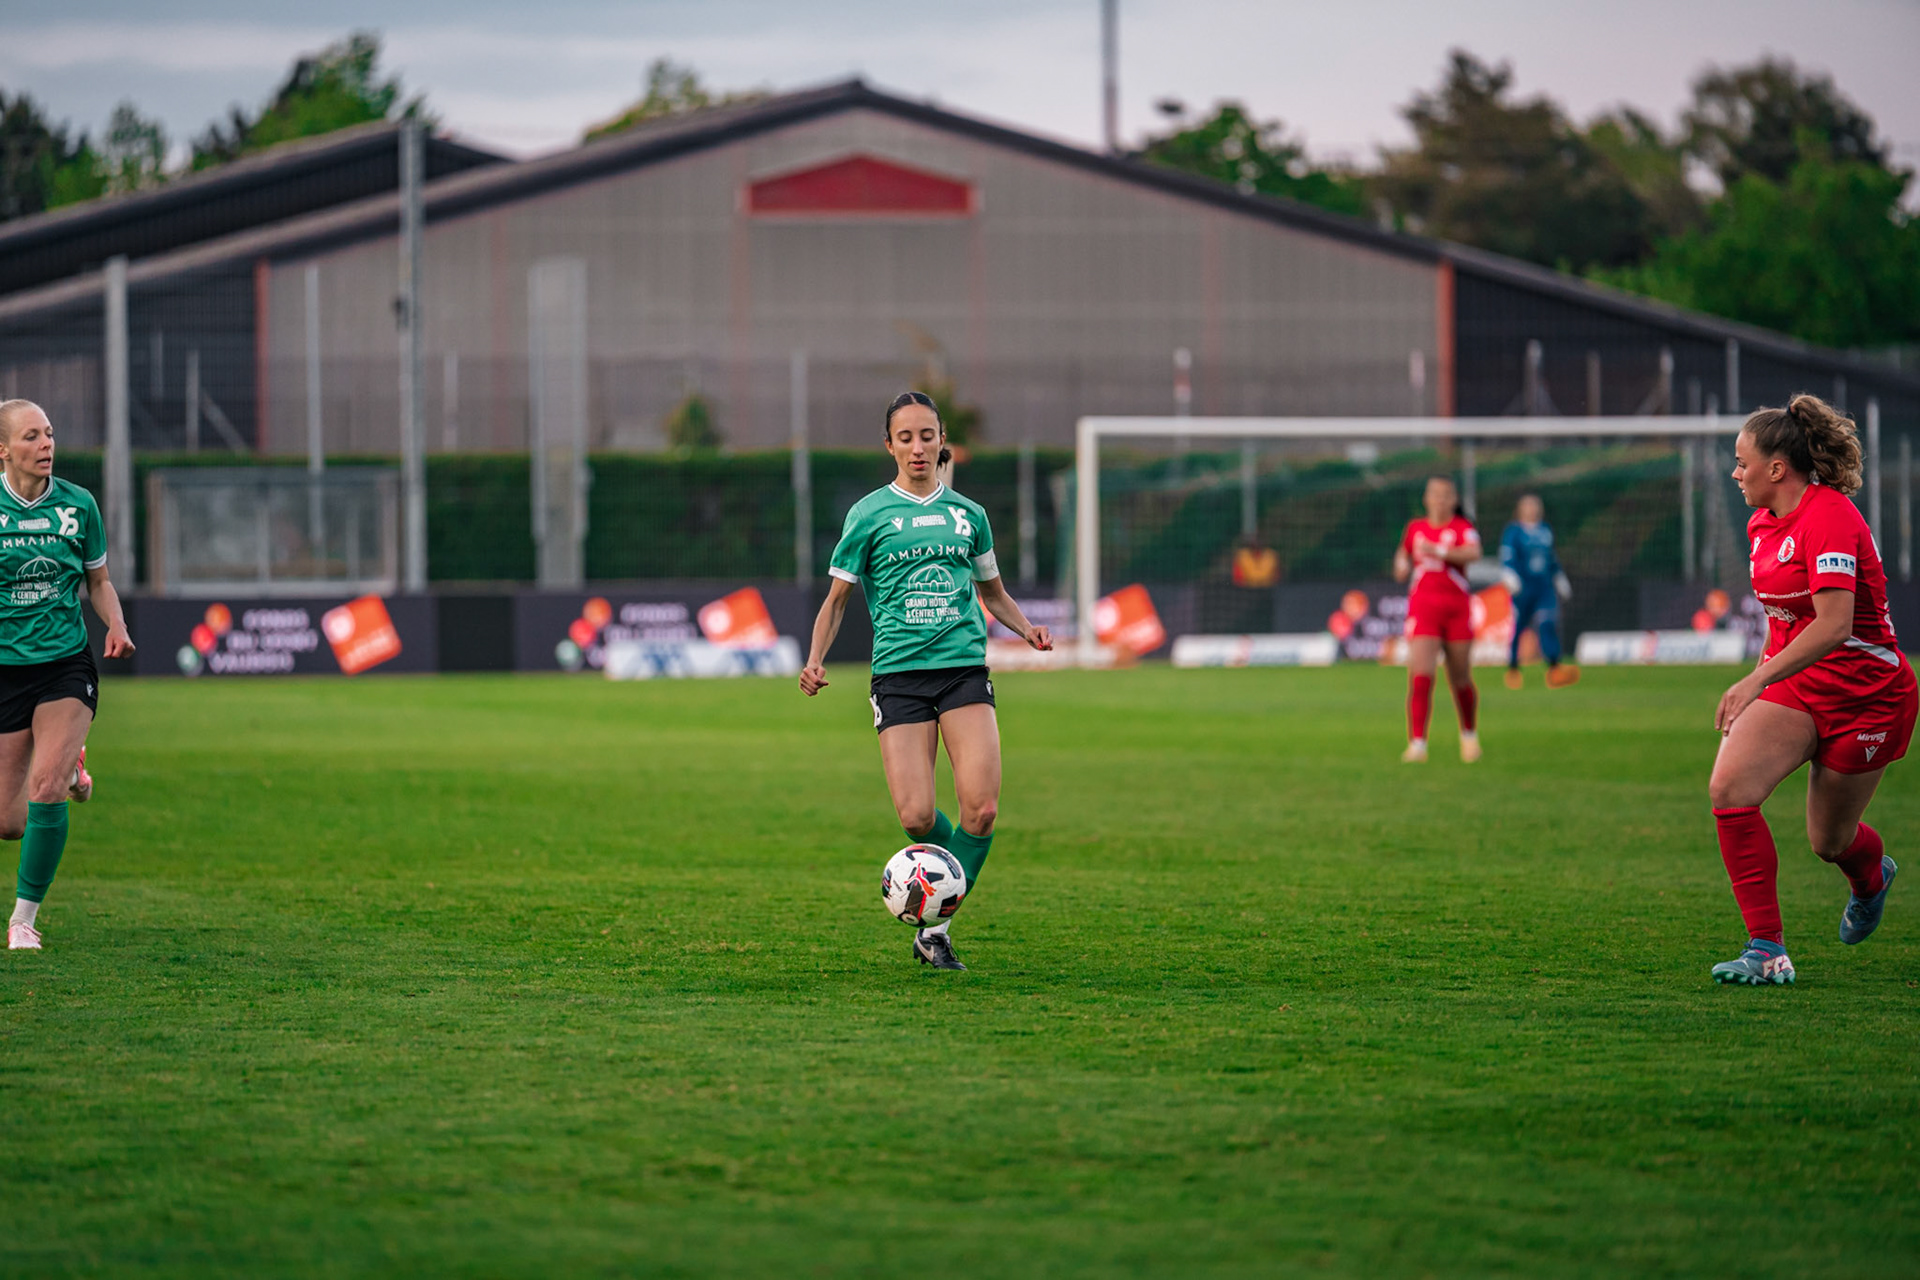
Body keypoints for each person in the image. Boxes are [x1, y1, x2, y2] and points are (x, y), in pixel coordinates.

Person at [800, 391, 1052, 971]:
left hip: (964, 671)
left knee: (981, 812)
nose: (918, 447)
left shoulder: (970, 514)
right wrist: (815, 658)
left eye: (927, 436)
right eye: (905, 437)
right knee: (916, 818)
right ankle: (937, 890)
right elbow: (837, 601)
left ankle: (935, 926)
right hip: (899, 677)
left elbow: (992, 593)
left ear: (943, 443)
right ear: (889, 445)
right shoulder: (867, 515)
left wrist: (1026, 628)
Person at [1706, 395, 1913, 986]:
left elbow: (1834, 624)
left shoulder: (1830, 517)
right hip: (1799, 687)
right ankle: (1766, 951)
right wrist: (1763, 680)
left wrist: (1754, 679)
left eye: (1742, 462)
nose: (1735, 472)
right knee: (1730, 787)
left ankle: (1871, 877)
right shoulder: (1760, 524)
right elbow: (1785, 623)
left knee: (1829, 840)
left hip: (1869, 697)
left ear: (1778, 468)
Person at [0, 400, 135, 951]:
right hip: (6, 671)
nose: (47, 444)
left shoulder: (78, 505)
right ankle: (71, 764)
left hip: (65, 665)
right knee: (9, 823)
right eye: (32, 436)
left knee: (45, 788)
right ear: (4, 450)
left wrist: (117, 623)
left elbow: (98, 583)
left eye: (50, 433)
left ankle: (22, 920)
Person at [1393, 476, 1482, 763]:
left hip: (1456, 609)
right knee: (1420, 674)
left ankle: (1469, 735)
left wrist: (1439, 551)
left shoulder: (1462, 529)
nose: (1440, 500)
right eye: (1435, 494)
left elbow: (1474, 553)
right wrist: (1400, 564)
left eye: (1446, 495)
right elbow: (1402, 556)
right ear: (1426, 498)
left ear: (1454, 500)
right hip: (1423, 609)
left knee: (1460, 678)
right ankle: (1417, 743)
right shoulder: (1415, 528)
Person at [1499, 494, 1579, 690]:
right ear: (1520, 509)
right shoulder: (1514, 531)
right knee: (1519, 628)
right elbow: (1507, 557)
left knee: (1547, 623)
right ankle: (1513, 669)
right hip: (1522, 589)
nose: (1533, 509)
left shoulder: (1545, 530)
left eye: (1536, 506)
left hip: (1544, 587)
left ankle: (1554, 669)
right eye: (1528, 506)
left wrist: (1559, 577)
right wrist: (1510, 576)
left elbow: (1551, 558)